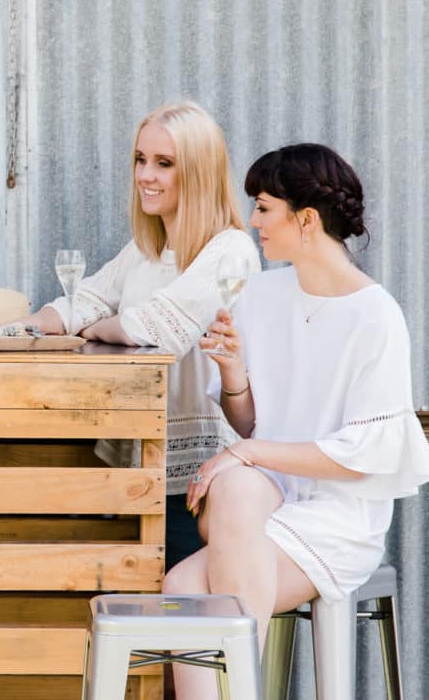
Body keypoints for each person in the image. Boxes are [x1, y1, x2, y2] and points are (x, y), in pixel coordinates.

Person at [170, 144, 429, 700]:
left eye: (264, 208)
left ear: (305, 219)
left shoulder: (376, 315)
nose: (252, 222)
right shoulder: (260, 296)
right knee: (238, 485)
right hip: (264, 499)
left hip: (337, 518)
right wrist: (234, 374)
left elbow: (364, 457)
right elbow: (249, 425)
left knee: (183, 588)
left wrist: (252, 453)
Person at [20, 101, 260, 566]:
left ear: (198, 172)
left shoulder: (230, 250)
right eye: (140, 159)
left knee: (183, 624)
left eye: (164, 164)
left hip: (200, 480)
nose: (145, 175)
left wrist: (95, 326)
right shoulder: (147, 249)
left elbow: (151, 329)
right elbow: (80, 303)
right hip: (141, 463)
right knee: (135, 613)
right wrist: (5, 330)